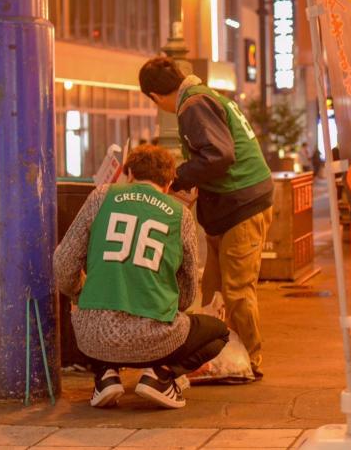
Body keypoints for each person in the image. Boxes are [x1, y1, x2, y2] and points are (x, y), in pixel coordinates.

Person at [54, 144, 229, 409]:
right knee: (220, 333)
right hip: (155, 340)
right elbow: (188, 291)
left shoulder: (100, 196)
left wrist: (81, 292)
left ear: (129, 174)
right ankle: (160, 376)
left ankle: (104, 376)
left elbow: (63, 264)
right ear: (169, 183)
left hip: (93, 338)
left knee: (94, 304)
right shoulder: (180, 215)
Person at [138, 56, 273, 380]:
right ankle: (217, 358)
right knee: (214, 291)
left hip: (243, 203)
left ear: (155, 98)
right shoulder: (203, 97)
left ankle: (251, 362)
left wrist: (178, 178)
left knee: (237, 290)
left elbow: (219, 155)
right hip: (229, 205)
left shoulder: (193, 105)